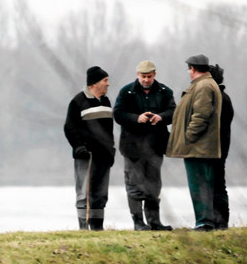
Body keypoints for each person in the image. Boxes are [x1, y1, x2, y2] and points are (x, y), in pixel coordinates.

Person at [113, 60, 176, 230]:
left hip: (155, 146)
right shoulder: (126, 92)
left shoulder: (165, 91)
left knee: (153, 185)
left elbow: (173, 112)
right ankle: (138, 222)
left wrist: (161, 117)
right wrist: (136, 118)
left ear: (154, 75)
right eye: (143, 76)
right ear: (137, 75)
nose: (146, 80)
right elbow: (118, 114)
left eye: (149, 76)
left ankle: (154, 222)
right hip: (132, 147)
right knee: (134, 185)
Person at [166, 54, 223, 231]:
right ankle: (206, 221)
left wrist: (189, 136)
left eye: (189, 69)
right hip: (200, 146)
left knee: (199, 185)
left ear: (192, 69)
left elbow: (200, 115)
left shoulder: (203, 86)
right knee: (203, 184)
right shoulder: (205, 84)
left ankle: (204, 222)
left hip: (198, 147)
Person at [63, 66, 116, 230]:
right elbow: (69, 128)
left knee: (100, 193)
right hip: (86, 155)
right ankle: (83, 228)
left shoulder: (106, 101)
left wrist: (111, 149)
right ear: (94, 83)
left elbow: (109, 130)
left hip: (103, 156)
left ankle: (97, 227)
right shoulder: (78, 101)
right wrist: (79, 147)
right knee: (84, 193)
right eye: (105, 81)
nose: (108, 84)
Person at [208, 63, 234, 230]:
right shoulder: (224, 97)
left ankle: (219, 222)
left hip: (215, 148)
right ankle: (220, 222)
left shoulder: (218, 99)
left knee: (216, 186)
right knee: (218, 185)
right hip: (221, 147)